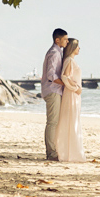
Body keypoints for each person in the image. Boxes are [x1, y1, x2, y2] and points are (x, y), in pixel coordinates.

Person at [54, 38, 84, 162]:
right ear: (72, 47)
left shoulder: (70, 60)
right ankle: (69, 154)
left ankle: (71, 152)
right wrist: (75, 88)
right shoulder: (69, 60)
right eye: (78, 46)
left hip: (73, 94)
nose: (79, 48)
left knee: (73, 121)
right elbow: (65, 77)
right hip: (72, 94)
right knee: (71, 122)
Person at [41, 28, 69, 161]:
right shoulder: (54, 53)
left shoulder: (58, 52)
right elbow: (51, 75)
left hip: (54, 90)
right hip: (52, 90)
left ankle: (54, 151)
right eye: (65, 39)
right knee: (52, 123)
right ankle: (51, 154)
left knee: (54, 122)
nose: (67, 42)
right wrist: (66, 84)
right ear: (57, 40)